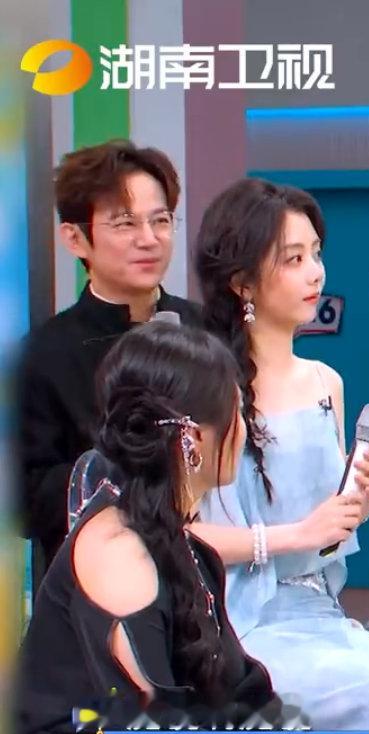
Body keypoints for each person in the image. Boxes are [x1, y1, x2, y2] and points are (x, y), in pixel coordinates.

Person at [189, 177, 369, 730]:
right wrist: (297, 534)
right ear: (241, 282)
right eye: (293, 259)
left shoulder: (326, 382)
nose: (315, 273)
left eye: (317, 254)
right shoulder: (207, 390)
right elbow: (178, 534)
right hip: (243, 625)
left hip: (321, 615)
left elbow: (326, 538)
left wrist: (361, 502)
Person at [17, 318, 297, 734]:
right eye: (236, 412)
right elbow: (147, 721)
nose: (243, 429)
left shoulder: (188, 549)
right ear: (194, 438)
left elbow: (243, 694)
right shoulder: (119, 555)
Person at [19, 140, 200, 575]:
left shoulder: (205, 329)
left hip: (207, 569)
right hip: (96, 580)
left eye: (160, 220)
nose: (148, 239)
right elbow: (23, 496)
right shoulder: (43, 352)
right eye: (124, 224)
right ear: (76, 238)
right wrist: (130, 473)